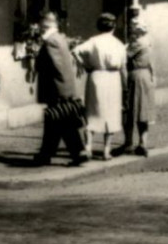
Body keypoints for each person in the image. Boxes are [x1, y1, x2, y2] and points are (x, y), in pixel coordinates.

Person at [30, 9, 84, 167]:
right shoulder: (59, 38)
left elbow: (56, 67)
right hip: (60, 88)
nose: (39, 26)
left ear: (45, 24)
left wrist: (37, 58)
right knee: (56, 122)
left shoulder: (51, 41)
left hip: (56, 89)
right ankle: (46, 154)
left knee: (61, 122)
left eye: (40, 23)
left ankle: (76, 152)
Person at [74, 12, 126, 161]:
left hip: (96, 77)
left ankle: (88, 147)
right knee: (111, 113)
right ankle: (106, 151)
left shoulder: (93, 41)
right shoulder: (118, 44)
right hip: (113, 78)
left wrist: (86, 66)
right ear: (114, 26)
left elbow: (76, 51)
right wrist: (125, 85)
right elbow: (123, 67)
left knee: (93, 112)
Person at [122, 19, 157, 156]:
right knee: (143, 110)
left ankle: (129, 142)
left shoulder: (138, 43)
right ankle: (143, 142)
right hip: (146, 75)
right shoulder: (149, 41)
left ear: (139, 30)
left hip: (136, 75)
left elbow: (123, 55)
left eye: (134, 28)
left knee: (130, 109)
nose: (131, 30)